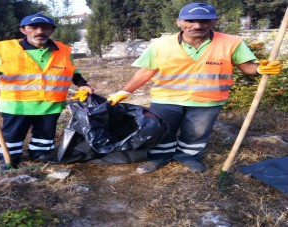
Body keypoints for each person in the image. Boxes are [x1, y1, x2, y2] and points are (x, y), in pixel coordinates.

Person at [107, 2, 282, 174]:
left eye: (204, 21)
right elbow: (146, 71)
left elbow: (246, 66)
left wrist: (259, 68)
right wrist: (125, 91)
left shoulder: (232, 43)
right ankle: (159, 157)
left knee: (196, 133)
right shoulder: (161, 45)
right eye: (190, 21)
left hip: (207, 101)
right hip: (166, 99)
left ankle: (187, 156)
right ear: (179, 22)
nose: (197, 25)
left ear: (214, 21)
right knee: (162, 130)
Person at [0, 13, 93, 170]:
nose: (39, 31)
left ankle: (40, 154)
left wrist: (82, 84)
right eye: (33, 27)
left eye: (45, 28)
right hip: (17, 104)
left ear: (51, 31)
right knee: (13, 134)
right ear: (23, 30)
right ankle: (9, 158)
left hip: (50, 104)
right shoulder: (5, 49)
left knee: (45, 133)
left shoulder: (63, 50)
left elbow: (72, 71)